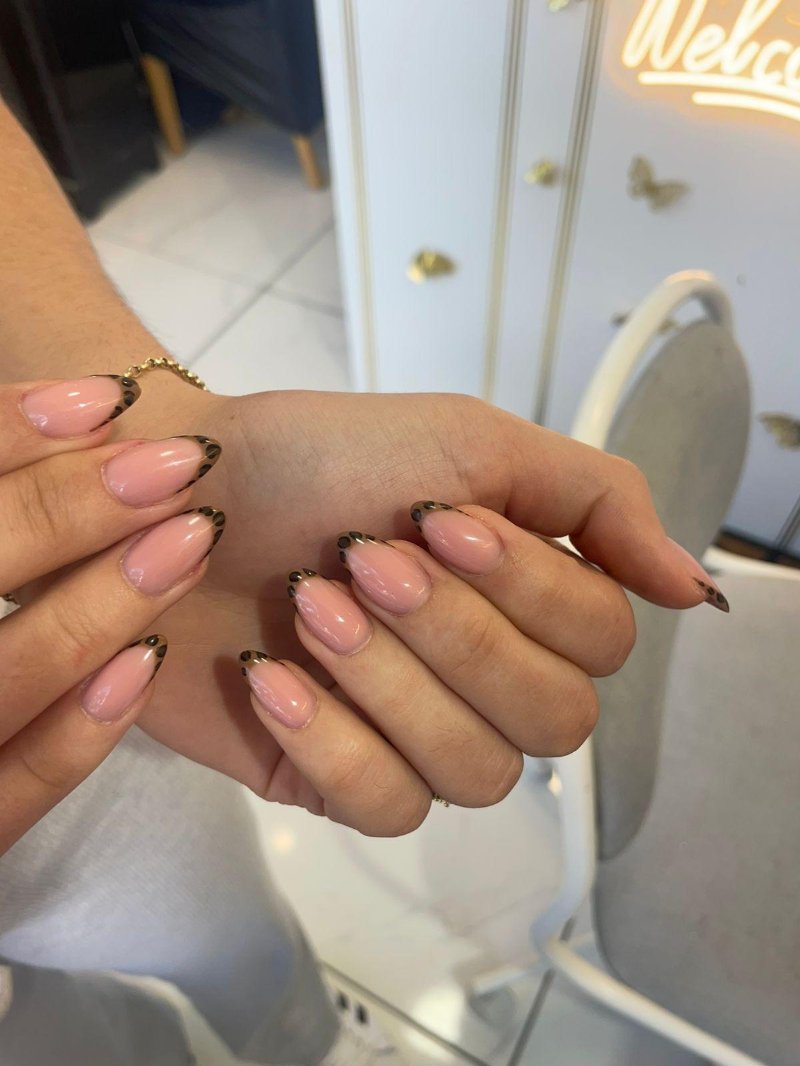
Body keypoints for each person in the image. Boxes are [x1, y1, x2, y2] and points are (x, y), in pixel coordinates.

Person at [0, 99, 728, 1065]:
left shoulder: (146, 647)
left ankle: (308, 1042)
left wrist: (145, 434)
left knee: (236, 968)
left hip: (69, 717)